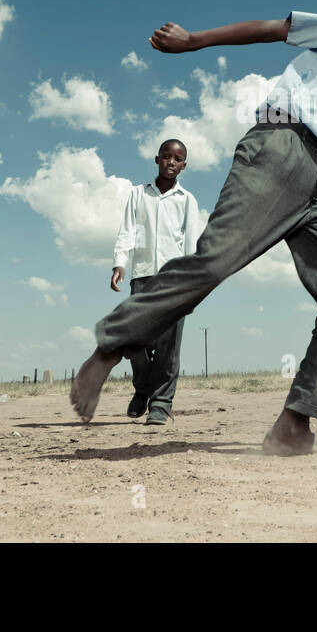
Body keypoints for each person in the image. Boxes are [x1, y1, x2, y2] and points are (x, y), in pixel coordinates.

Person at [71, 4, 317, 455]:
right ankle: (111, 346)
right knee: (215, 261)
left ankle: (293, 423)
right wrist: (194, 40)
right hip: (282, 144)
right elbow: (276, 29)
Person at [110, 138, 201, 425]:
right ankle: (143, 389)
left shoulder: (187, 200)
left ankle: (161, 404)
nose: (171, 163)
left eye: (177, 159)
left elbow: (191, 243)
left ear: (183, 165)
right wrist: (119, 263)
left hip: (174, 279)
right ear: (156, 159)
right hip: (142, 276)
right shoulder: (138, 194)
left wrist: (192, 284)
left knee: (168, 344)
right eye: (166, 157)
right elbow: (127, 231)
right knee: (135, 340)